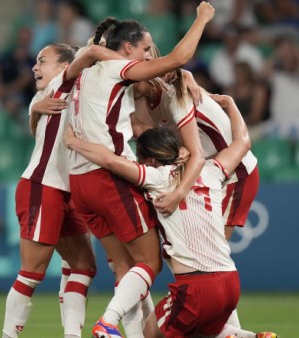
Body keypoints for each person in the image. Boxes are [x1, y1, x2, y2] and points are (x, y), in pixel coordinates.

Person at [63, 94, 277, 338]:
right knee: (202, 329)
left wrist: (73, 142)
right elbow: (243, 141)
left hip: (196, 287)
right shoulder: (211, 170)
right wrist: (230, 103)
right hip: (231, 282)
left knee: (151, 332)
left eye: (141, 158)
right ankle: (248, 336)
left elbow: (109, 161)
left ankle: (107, 323)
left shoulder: (158, 178)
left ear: (151, 160)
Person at [63, 3, 215, 337]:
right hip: (107, 178)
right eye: (145, 49)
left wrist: (182, 76)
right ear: (127, 48)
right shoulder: (118, 69)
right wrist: (202, 18)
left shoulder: (82, 74)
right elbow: (177, 58)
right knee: (150, 262)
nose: (148, 56)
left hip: (79, 183)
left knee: (125, 268)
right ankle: (106, 324)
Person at [1, 43, 97, 338]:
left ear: (62, 65)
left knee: (83, 265)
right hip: (44, 187)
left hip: (69, 191)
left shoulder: (74, 90)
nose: (34, 67)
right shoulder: (58, 84)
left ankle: (71, 335)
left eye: (42, 61)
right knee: (33, 272)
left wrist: (33, 108)